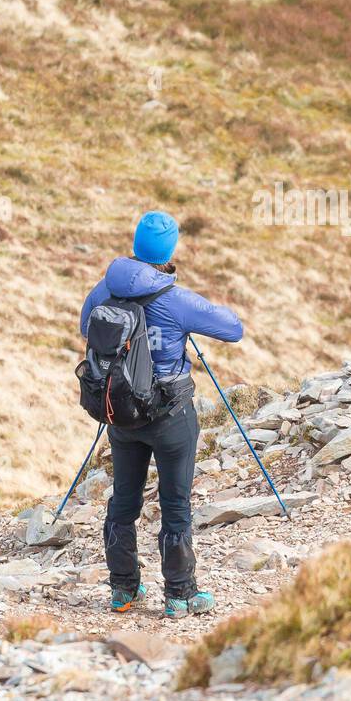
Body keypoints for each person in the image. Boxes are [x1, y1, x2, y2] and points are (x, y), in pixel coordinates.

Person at [80, 210, 243, 616]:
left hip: (122, 415)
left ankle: (123, 590)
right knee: (175, 504)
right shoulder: (176, 300)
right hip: (170, 416)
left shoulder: (104, 291)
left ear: (136, 247)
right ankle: (180, 595)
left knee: (123, 502)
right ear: (169, 251)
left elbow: (87, 327)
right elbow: (233, 329)